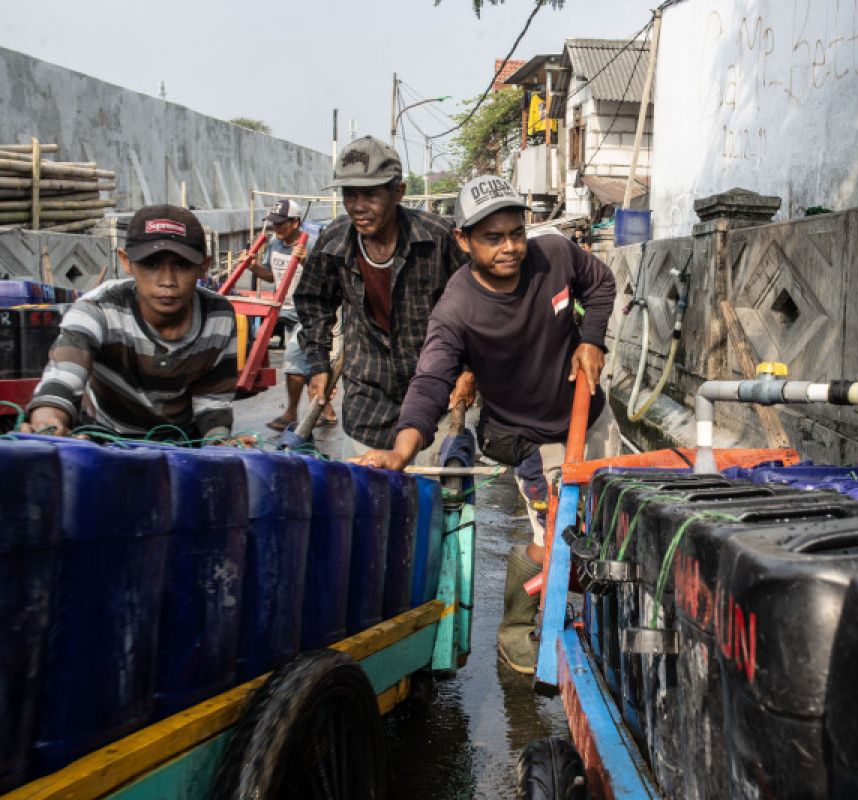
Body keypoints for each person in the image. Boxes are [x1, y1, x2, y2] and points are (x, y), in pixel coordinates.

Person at [352, 175, 620, 673]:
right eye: (492, 238)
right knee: (555, 533)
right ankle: (516, 628)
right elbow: (431, 382)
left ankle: (600, 612)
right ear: (464, 240)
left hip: (590, 411)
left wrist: (592, 339)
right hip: (531, 437)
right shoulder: (457, 310)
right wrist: (402, 450)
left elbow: (601, 283)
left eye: (516, 233)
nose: (510, 248)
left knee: (612, 522)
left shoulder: (556, 254)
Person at [294, 136, 473, 458]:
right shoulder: (334, 242)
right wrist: (319, 363)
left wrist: (470, 371)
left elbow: (477, 307)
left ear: (398, 193)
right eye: (350, 194)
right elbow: (313, 300)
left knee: (430, 497)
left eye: (371, 194)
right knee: (369, 498)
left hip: (435, 393)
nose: (358, 206)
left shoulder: (436, 238)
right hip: (368, 398)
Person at [24, 204, 240, 443]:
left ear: (204, 266)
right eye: (152, 264)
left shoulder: (218, 315)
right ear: (126, 261)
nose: (167, 281)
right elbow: (64, 376)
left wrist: (220, 442)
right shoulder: (98, 308)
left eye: (182, 265)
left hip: (180, 447)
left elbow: (212, 402)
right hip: (103, 440)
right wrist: (47, 420)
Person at [239, 198, 336, 431]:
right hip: (287, 310)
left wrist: (306, 261)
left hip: (311, 312)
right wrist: (252, 267)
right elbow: (272, 276)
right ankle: (326, 411)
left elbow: (330, 280)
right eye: (273, 224)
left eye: (280, 224)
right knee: (312, 365)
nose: (276, 229)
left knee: (293, 360)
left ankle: (291, 413)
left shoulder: (312, 244)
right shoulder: (274, 243)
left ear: (294, 223)